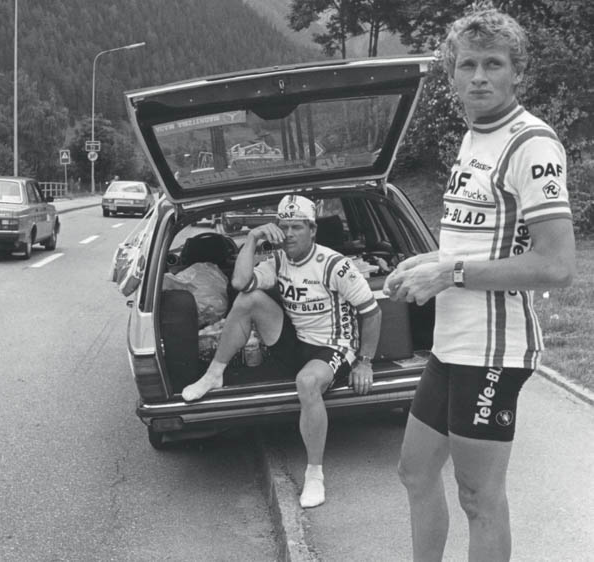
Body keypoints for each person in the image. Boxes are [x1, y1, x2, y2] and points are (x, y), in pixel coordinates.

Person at [386, 9, 575, 561]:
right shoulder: (474, 139)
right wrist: (427, 260)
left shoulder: (530, 144)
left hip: (493, 349)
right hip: (452, 343)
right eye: (466, 65)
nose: (479, 77)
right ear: (451, 77)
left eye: (493, 64)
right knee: (415, 473)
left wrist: (449, 272)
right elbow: (479, 242)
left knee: (478, 497)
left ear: (518, 72)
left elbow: (558, 265)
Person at [182, 195, 381, 508]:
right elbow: (239, 282)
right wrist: (252, 238)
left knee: (307, 383)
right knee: (247, 301)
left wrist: (365, 363)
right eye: (284, 226)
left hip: (334, 346)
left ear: (312, 230)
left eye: (297, 227)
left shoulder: (334, 264)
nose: (289, 234)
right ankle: (214, 374)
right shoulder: (277, 261)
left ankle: (314, 474)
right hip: (296, 340)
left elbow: (372, 312)